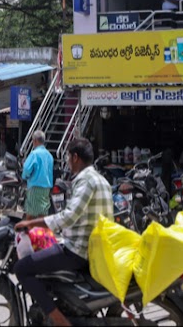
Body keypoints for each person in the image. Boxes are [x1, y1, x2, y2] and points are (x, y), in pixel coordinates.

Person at [13, 137, 113, 327]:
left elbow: (68, 216)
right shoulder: (101, 180)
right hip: (92, 248)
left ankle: (59, 320)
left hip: (78, 252)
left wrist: (33, 223)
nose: (67, 161)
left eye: (68, 157)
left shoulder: (86, 181)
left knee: (22, 268)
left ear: (75, 157)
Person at [22, 130, 55, 217]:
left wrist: (25, 177)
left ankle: (30, 230)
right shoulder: (49, 155)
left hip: (35, 187)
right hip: (46, 189)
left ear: (35, 141)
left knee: (30, 215)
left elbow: (26, 169)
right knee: (43, 215)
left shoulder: (34, 154)